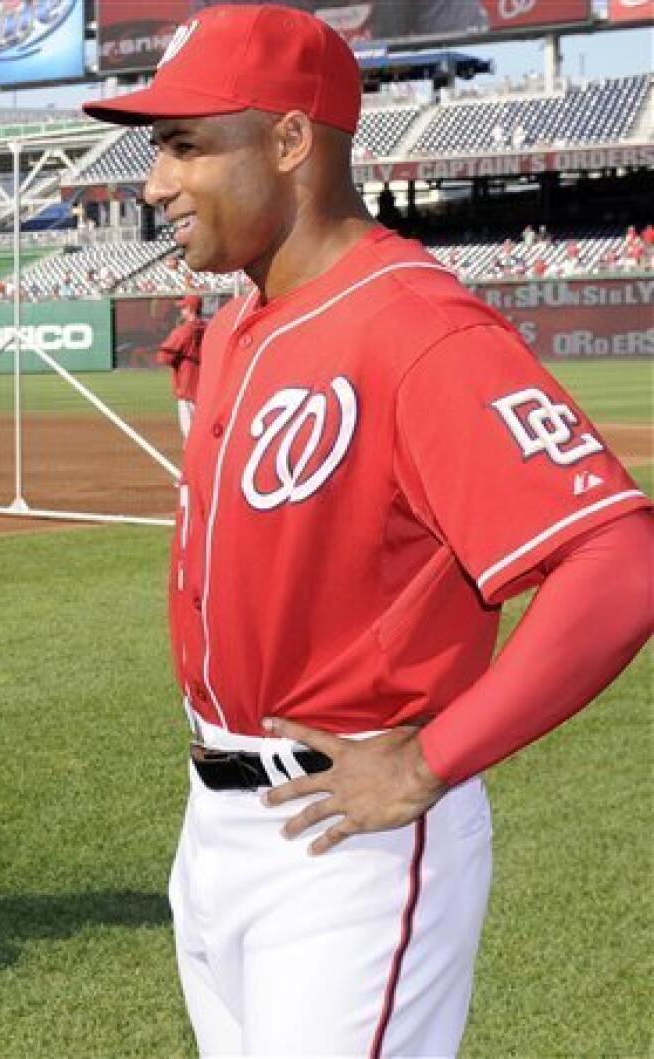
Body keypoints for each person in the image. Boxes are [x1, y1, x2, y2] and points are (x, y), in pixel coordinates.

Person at [84, 6, 652, 1055]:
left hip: (351, 841)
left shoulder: (414, 326)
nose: (155, 182)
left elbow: (619, 564)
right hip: (219, 823)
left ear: (292, 142)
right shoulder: (241, 316)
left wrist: (433, 762)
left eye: (184, 145)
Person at [156, 293, 206, 438]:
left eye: (183, 308)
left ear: (190, 309)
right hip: (207, 390)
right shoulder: (209, 327)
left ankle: (196, 461)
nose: (181, 311)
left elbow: (163, 358)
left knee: (191, 436)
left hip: (187, 387)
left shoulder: (183, 331)